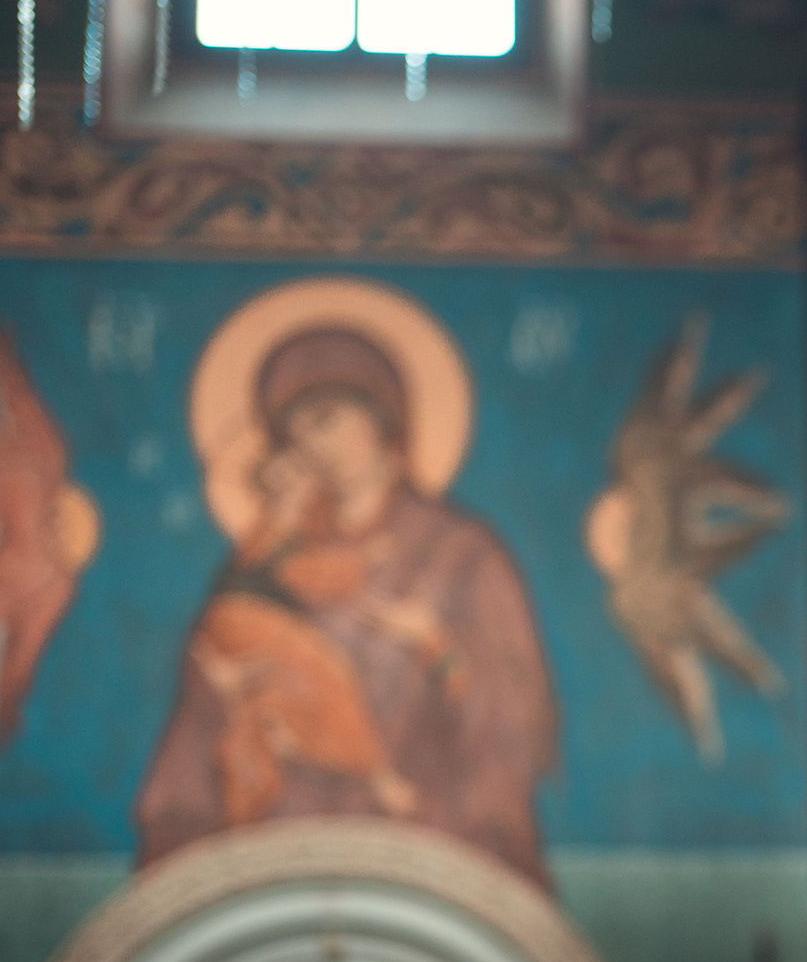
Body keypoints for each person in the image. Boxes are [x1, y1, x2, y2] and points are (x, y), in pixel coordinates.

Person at [136, 327, 559, 884]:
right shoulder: (267, 559)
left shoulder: (462, 555)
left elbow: (519, 717)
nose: (313, 446)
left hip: (422, 849)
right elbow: (200, 720)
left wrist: (436, 644)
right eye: (294, 435)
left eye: (326, 419)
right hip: (278, 857)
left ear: (383, 420)